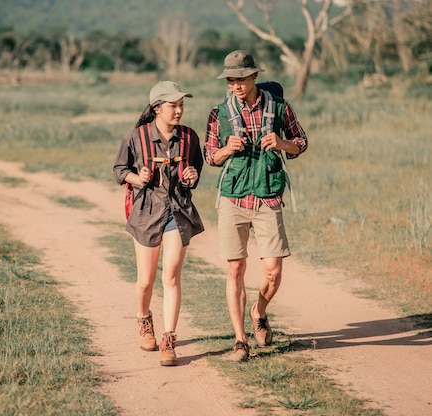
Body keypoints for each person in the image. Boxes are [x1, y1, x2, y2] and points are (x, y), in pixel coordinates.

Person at [203, 50, 308, 362]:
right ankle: (239, 340)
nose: (235, 85)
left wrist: (281, 143)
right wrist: (226, 150)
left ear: (254, 77)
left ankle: (258, 310)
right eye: (231, 79)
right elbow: (210, 156)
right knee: (235, 268)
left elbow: (300, 143)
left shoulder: (278, 107)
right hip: (233, 197)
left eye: (240, 78)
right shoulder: (218, 113)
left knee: (273, 270)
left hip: (268, 195)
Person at [113, 81, 204, 366]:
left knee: (172, 277)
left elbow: (195, 170)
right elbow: (119, 170)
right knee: (145, 281)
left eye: (181, 105)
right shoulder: (135, 137)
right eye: (173, 106)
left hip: (178, 212)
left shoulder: (189, 137)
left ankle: (169, 339)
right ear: (157, 109)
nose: (179, 111)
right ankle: (144, 319)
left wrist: (191, 176)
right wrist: (136, 178)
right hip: (146, 213)